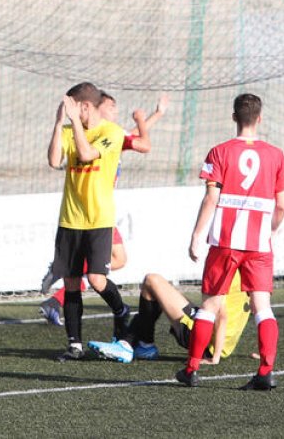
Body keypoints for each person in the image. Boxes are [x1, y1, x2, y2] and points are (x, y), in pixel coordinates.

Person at [176, 93, 284, 391]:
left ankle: (191, 369)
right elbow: (282, 206)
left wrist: (197, 235)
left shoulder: (219, 152)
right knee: (262, 307)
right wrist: (269, 230)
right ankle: (265, 372)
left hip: (225, 242)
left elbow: (211, 198)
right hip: (259, 244)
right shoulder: (275, 155)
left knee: (210, 305)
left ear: (234, 117)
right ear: (260, 118)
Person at [39, 92, 169, 326]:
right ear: (97, 108)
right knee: (107, 266)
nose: (115, 111)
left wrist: (156, 114)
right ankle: (61, 294)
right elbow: (143, 141)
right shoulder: (100, 134)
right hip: (95, 211)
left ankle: (59, 284)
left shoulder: (111, 135)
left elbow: (137, 137)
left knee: (114, 262)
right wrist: (141, 119)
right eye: (111, 106)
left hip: (101, 209)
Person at [46, 82, 132, 361]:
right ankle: (75, 345)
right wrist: (60, 124)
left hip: (98, 219)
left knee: (96, 279)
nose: (70, 111)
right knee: (71, 282)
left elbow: (86, 154)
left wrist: (73, 122)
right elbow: (53, 160)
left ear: (84, 106)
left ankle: (121, 311)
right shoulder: (70, 130)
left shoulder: (111, 132)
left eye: (73, 106)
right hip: (70, 219)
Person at [87, 270, 250, 364]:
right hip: (222, 343)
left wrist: (214, 357)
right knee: (160, 291)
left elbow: (222, 316)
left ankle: (128, 345)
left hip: (203, 339)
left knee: (152, 281)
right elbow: (260, 308)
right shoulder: (253, 263)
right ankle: (142, 345)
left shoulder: (228, 262)